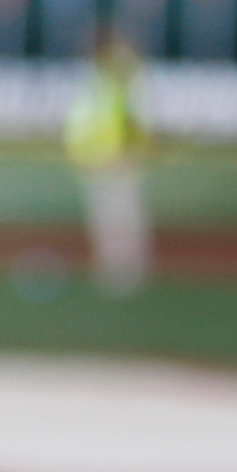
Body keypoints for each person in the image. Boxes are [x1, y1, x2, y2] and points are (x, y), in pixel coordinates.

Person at [64, 27, 153, 296]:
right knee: (109, 215)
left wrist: (128, 154)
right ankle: (114, 268)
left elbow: (130, 123)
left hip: (116, 159)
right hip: (99, 159)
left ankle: (126, 272)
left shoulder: (120, 81)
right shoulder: (101, 80)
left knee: (122, 214)